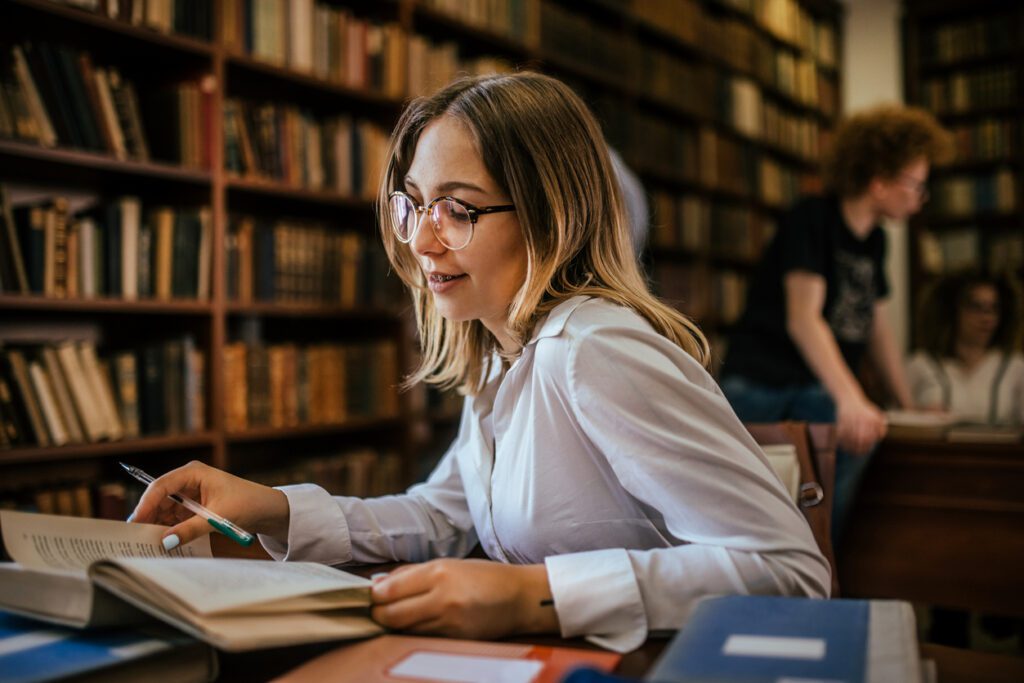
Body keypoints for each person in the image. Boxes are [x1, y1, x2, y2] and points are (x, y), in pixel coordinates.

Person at [129, 72, 829, 652]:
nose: (422, 244)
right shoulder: (502, 352)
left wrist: (534, 593)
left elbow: (791, 570)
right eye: (415, 206)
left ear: (551, 215)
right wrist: (274, 508)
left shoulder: (593, 350)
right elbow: (443, 513)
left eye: (457, 210)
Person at [718, 104, 953, 546]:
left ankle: (813, 560)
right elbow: (803, 318)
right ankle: (805, 560)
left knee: (855, 442)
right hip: (762, 381)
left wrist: (906, 404)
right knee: (747, 483)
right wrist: (850, 399)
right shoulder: (813, 218)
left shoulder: (875, 239)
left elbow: (877, 328)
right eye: (917, 185)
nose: (921, 197)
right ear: (880, 181)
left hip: (812, 387)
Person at [906, 270, 1024, 425]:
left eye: (994, 309)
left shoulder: (1014, 367)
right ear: (952, 311)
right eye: (976, 307)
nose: (986, 317)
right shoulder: (921, 364)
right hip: (936, 448)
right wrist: (919, 415)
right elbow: (899, 416)